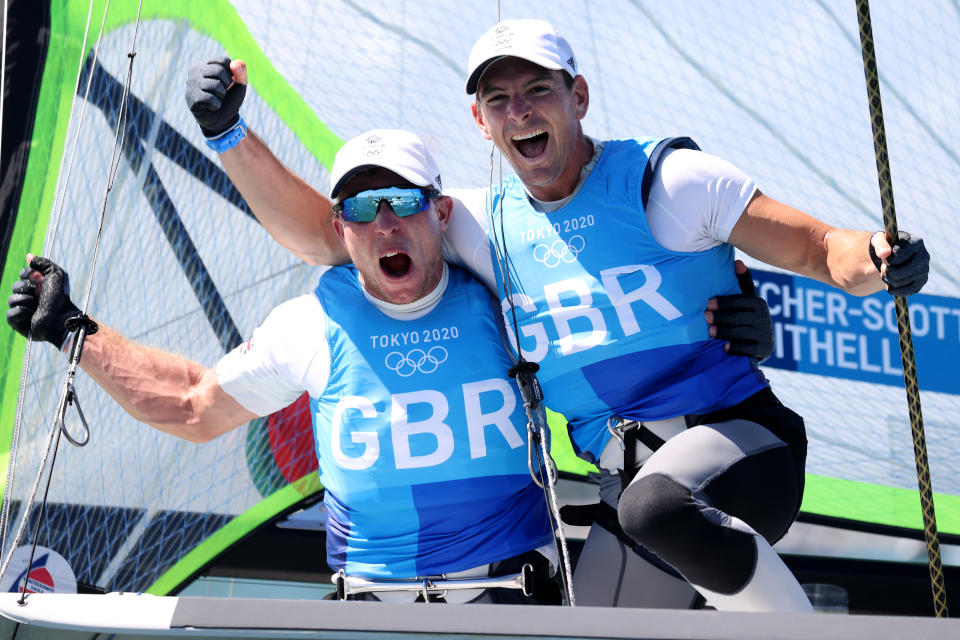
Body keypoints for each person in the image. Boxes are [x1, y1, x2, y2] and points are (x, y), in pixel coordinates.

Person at [183, 23, 930, 613]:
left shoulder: (669, 182)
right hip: (627, 496)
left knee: (659, 506)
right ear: (480, 122)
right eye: (500, 100)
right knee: (599, 590)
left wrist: (881, 255)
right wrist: (227, 133)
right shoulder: (479, 227)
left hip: (740, 453)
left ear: (579, 95)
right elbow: (327, 233)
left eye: (537, 89)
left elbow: (824, 252)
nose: (521, 111)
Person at [5, 129, 564, 605]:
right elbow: (192, 406)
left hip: (513, 597)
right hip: (376, 610)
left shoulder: (505, 298)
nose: (386, 224)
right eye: (363, 209)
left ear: (442, 212)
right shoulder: (310, 325)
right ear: (341, 230)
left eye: (404, 199)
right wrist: (71, 328)